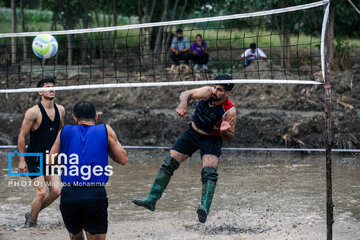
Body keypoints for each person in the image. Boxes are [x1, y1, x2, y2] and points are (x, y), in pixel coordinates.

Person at [132, 74, 237, 223]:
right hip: (192, 133)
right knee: (169, 163)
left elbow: (230, 136)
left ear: (227, 93)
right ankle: (151, 200)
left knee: (209, 172)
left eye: (219, 90)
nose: (215, 91)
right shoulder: (207, 92)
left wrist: (224, 131)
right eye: (215, 87)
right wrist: (183, 103)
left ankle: (204, 208)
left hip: (212, 139)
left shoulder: (230, 111)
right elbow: (186, 93)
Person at [49, 101, 127, 240]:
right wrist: (104, 147)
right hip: (94, 193)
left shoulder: (64, 130)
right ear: (96, 117)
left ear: (75, 118)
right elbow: (123, 159)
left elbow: (50, 161)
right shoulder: (105, 130)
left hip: (69, 193)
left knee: (75, 237)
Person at [17, 78, 65, 227]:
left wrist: (58, 154)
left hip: (48, 159)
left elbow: (60, 132)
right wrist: (22, 160)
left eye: (53, 87)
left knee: (57, 191)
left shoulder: (60, 110)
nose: (51, 89)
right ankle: (31, 223)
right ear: (40, 92)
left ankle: (31, 213)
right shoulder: (33, 112)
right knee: (41, 193)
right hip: (33, 158)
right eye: (48, 87)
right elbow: (21, 136)